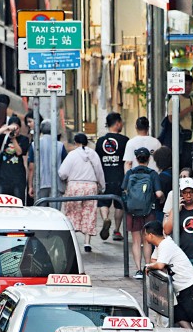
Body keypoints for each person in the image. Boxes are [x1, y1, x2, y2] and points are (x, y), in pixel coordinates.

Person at [144, 221, 193, 329]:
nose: (145, 238)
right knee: (179, 316)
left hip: (190, 285)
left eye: (146, 235)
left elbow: (160, 265)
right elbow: (154, 260)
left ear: (151, 235)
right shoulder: (160, 245)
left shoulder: (166, 245)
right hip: (179, 288)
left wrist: (149, 266)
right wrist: (152, 264)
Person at [58, 133, 105, 252]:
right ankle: (87, 242)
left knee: (72, 213)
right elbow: (99, 171)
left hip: (75, 186)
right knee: (89, 213)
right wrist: (102, 186)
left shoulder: (72, 155)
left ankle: (72, 240)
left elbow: (62, 173)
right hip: (91, 186)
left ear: (75, 142)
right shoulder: (93, 154)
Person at [123, 148, 162, 278]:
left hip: (132, 211)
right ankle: (147, 267)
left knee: (135, 241)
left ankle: (138, 270)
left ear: (136, 159)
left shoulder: (130, 173)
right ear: (149, 159)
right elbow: (158, 193)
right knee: (147, 241)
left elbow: (124, 190)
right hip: (148, 209)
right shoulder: (153, 174)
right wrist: (161, 199)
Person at [162, 178, 193, 281]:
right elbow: (167, 230)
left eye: (191, 192)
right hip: (181, 256)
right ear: (181, 194)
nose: (188, 195)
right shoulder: (177, 209)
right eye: (185, 192)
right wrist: (175, 210)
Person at [96, 113, 129, 242]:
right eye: (121, 122)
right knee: (119, 205)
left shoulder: (100, 141)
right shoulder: (125, 140)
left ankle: (105, 219)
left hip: (105, 177)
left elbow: (97, 160)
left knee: (104, 202)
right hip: (120, 177)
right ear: (117, 123)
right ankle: (116, 230)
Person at [0, 117, 30, 201]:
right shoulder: (4, 138)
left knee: (18, 201)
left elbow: (19, 152)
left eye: (17, 128)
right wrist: (7, 128)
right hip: (3, 176)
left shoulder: (24, 139)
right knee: (1, 201)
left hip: (17, 177)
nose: (15, 130)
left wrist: (13, 139)